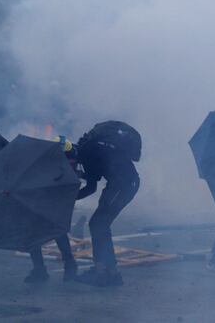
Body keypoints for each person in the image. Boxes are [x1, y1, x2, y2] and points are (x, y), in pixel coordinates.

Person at [73, 121, 142, 287]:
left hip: (123, 185)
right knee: (99, 224)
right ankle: (110, 272)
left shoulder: (87, 152)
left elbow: (90, 187)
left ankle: (103, 273)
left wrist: (69, 197)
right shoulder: (92, 148)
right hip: (123, 184)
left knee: (98, 224)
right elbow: (92, 181)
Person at [24, 137, 80, 283]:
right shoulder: (62, 160)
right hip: (45, 201)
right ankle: (43, 269)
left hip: (55, 202)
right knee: (36, 234)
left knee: (56, 233)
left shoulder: (68, 163)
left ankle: (65, 266)